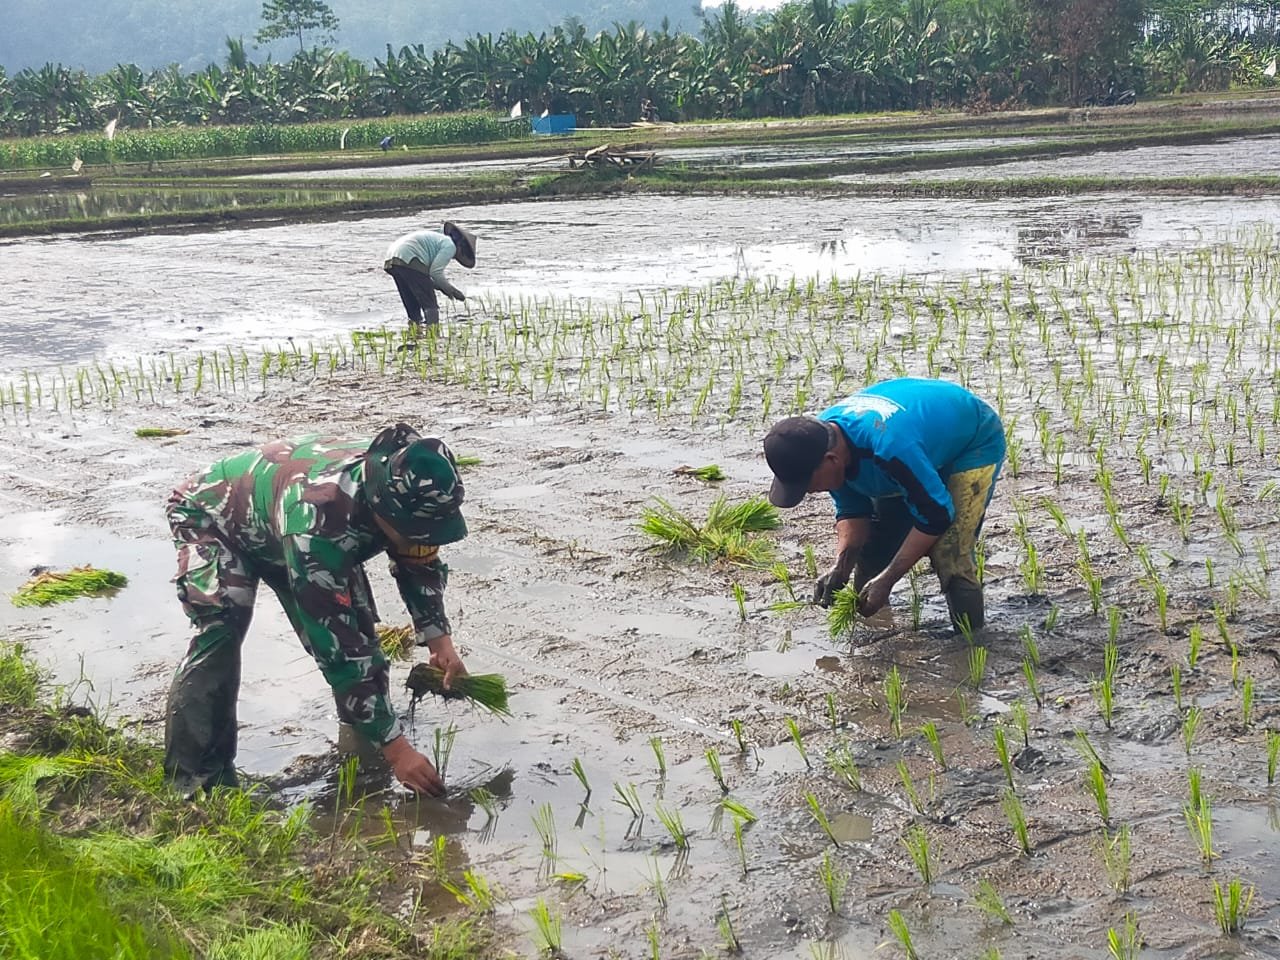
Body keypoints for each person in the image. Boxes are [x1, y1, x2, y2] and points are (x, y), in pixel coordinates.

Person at [163, 422, 470, 798]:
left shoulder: (404, 473)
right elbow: (337, 649)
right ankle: (195, 786)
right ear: (385, 510)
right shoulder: (318, 526)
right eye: (415, 529)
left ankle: (364, 748)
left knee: (363, 637)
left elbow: (418, 560)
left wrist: (439, 639)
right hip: (213, 516)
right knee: (222, 630)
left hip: (283, 518)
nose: (422, 537)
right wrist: (399, 752)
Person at [763, 378, 1005, 632]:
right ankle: (875, 631)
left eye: (808, 484)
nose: (810, 492)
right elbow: (853, 512)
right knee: (873, 551)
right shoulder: (819, 439)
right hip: (916, 443)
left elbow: (937, 516)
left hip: (971, 441)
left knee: (950, 552)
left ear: (831, 460)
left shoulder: (889, 448)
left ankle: (970, 643)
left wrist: (888, 579)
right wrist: (841, 567)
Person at [383, 221, 477, 328]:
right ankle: (433, 331)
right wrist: (452, 291)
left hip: (392, 259)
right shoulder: (450, 246)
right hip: (410, 257)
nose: (454, 258)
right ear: (461, 247)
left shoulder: (437, 239)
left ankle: (415, 329)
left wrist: (441, 288)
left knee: (411, 301)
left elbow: (423, 279)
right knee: (430, 304)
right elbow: (435, 272)